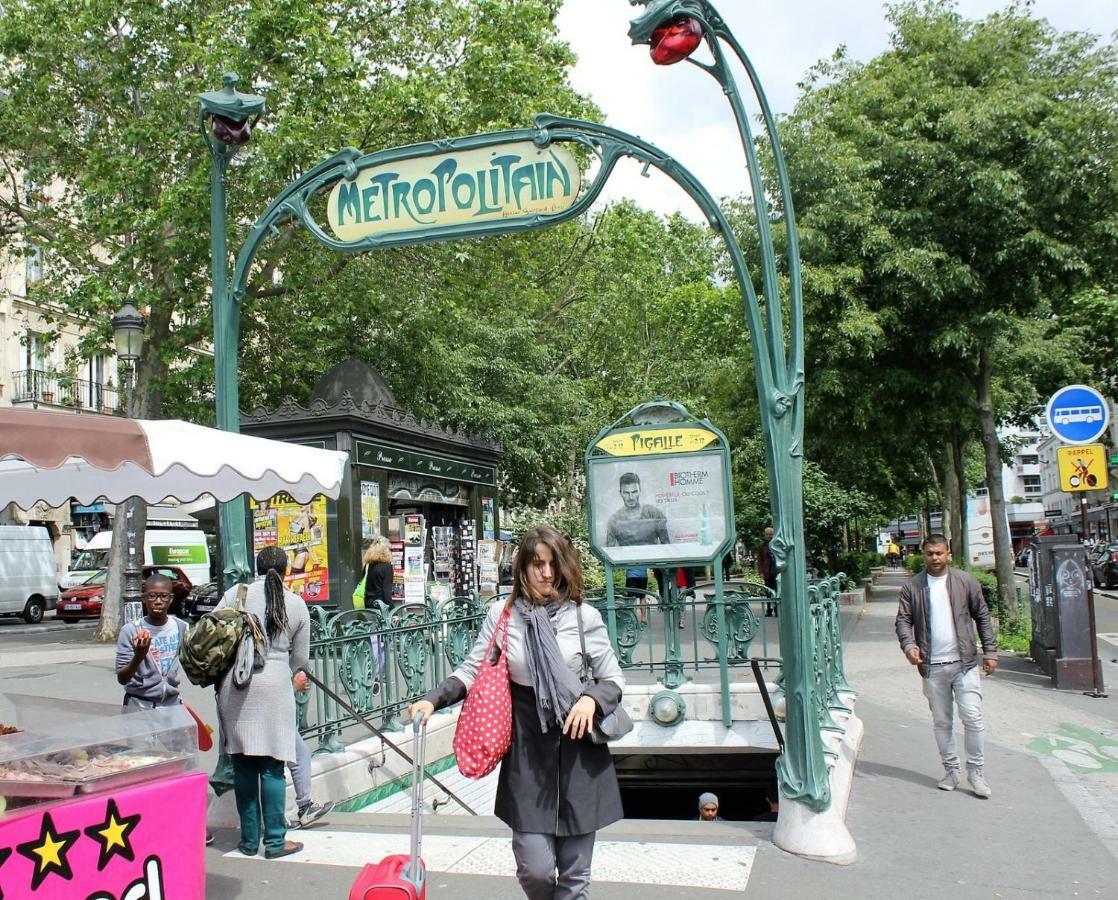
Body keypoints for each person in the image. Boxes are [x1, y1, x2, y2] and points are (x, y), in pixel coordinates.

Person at [410, 525, 625, 900]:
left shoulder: (583, 616)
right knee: (535, 868)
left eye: (553, 564)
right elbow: (473, 669)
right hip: (528, 751)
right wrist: (433, 699)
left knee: (575, 877)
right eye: (537, 564)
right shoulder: (503, 615)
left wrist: (591, 700)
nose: (546, 573)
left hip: (579, 755)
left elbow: (613, 678)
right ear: (522, 568)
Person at [215, 545, 310, 859]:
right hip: (275, 686)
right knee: (272, 767)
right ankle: (275, 842)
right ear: (285, 570)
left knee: (243, 765)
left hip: (236, 684)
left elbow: (214, 634)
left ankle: (248, 840)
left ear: (256, 567)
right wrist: (281, 670)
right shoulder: (295, 603)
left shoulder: (235, 596)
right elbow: (300, 657)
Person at [895, 534, 998, 798]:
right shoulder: (913, 587)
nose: (935, 558)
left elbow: (982, 617)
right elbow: (903, 621)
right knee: (942, 722)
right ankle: (951, 771)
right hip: (932, 666)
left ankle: (976, 773)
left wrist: (990, 652)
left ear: (948, 554)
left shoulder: (965, 582)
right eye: (930, 553)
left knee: (973, 718)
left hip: (965, 664)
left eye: (939, 553)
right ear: (923, 554)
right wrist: (909, 646)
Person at [115, 573, 188, 708]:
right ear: (144, 598)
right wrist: (139, 656)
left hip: (172, 705)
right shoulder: (131, 631)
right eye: (152, 596)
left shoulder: (181, 627)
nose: (158, 601)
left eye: (164, 596)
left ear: (171, 599)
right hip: (140, 705)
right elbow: (122, 678)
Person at [285, 671, 334, 830]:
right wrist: (292, 687)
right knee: (274, 766)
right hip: (272, 715)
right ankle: (278, 820)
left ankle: (302, 807)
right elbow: (301, 654)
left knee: (298, 755)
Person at [605, 473, 669, 547]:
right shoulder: (614, 520)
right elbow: (610, 551)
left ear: (640, 491)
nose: (631, 497)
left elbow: (667, 546)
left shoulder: (654, 513)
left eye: (634, 492)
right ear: (620, 493)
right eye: (626, 493)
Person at [362, 537, 396, 610]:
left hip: (367, 603)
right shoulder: (387, 567)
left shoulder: (367, 566)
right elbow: (386, 591)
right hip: (381, 605)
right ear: (385, 551)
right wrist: (393, 610)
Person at [757, 527, 778, 617]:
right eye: (768, 534)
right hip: (767, 573)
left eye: (771, 534)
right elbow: (760, 560)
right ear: (765, 535)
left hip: (776, 572)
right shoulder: (762, 546)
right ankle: (769, 609)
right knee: (768, 592)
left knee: (777, 591)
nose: (769, 536)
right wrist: (761, 572)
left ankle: (777, 609)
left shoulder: (777, 544)